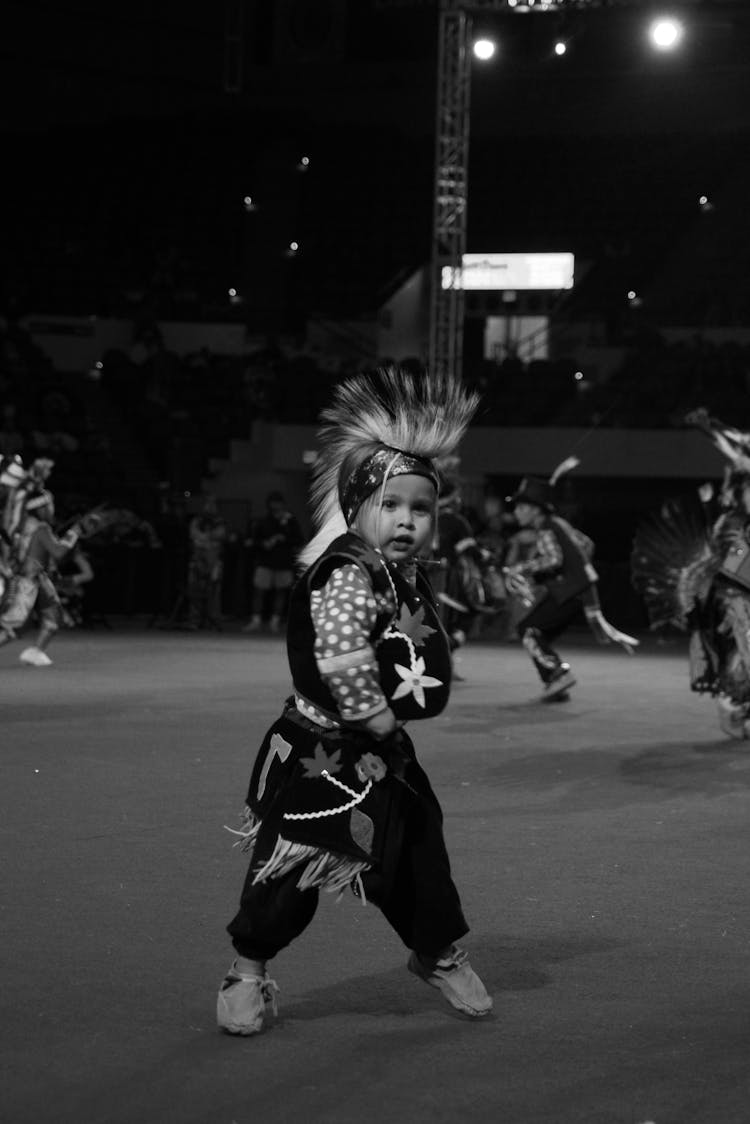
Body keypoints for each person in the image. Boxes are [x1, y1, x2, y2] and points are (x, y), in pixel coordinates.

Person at [218, 368, 491, 1036]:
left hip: (382, 754)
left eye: (420, 509)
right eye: (391, 505)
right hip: (324, 751)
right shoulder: (347, 572)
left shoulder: (401, 575)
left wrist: (386, 723)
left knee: (417, 857)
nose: (406, 520)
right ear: (355, 506)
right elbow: (338, 652)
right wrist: (370, 711)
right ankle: (247, 973)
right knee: (288, 874)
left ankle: (434, 953)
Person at [633, 409, 750, 739]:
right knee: (736, 636)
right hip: (734, 583)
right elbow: (737, 446)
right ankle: (736, 699)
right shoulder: (733, 525)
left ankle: (739, 700)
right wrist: (709, 427)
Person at [505, 459, 638, 702]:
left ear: (535, 509)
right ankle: (556, 679)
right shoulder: (559, 524)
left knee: (528, 631)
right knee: (537, 633)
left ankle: (556, 675)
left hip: (569, 592)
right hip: (580, 591)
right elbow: (587, 544)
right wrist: (576, 565)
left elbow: (553, 558)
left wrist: (522, 568)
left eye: (521, 507)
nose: (516, 512)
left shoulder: (546, 528)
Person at [0, 490, 80, 666]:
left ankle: (35, 652)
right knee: (16, 625)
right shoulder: (41, 528)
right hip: (27, 581)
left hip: (37, 578)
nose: (51, 509)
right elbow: (58, 552)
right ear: (41, 508)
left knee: (53, 618)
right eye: (48, 505)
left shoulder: (20, 526)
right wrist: (73, 534)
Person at [243, 491, 303, 634]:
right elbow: (253, 541)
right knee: (259, 591)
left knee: (281, 592)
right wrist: (264, 543)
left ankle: (274, 622)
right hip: (265, 562)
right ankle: (256, 620)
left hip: (284, 562)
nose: (276, 506)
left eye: (278, 503)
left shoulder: (291, 521)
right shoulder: (263, 521)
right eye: (273, 503)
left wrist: (284, 536)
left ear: (283, 504)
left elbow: (299, 540)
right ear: (269, 505)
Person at [186, 495, 227, 630]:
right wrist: (206, 540)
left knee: (214, 591)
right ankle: (194, 620)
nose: (209, 507)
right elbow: (194, 534)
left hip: (214, 561)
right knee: (195, 589)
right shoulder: (196, 521)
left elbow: (219, 535)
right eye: (207, 504)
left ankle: (213, 621)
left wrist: (204, 540)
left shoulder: (220, 522)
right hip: (197, 559)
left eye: (212, 504)